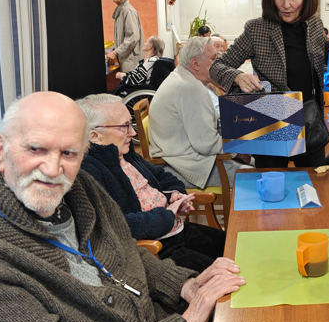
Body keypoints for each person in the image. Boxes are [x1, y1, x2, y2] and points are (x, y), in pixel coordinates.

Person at [0, 91, 273, 322]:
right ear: (1, 149)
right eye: (36, 149)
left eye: (68, 153)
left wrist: (185, 285)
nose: (52, 168)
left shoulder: (81, 189)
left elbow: (123, 253)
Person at [210, 0, 329, 168]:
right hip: (270, 124)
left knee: (317, 186)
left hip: (309, 122)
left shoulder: (313, 25)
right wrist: (238, 77)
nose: (285, 4)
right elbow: (216, 66)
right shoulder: (257, 29)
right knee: (271, 192)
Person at [78, 94, 227, 272]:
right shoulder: (89, 172)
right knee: (224, 272)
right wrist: (167, 215)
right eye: (124, 127)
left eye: (130, 124)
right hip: (156, 250)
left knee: (233, 245)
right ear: (95, 136)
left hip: (176, 230)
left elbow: (164, 176)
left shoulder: (125, 154)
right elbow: (117, 225)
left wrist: (175, 195)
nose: (133, 133)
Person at [149, 37, 252, 189]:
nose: (218, 65)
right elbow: (206, 144)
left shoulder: (182, 77)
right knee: (257, 177)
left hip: (185, 160)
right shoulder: (189, 87)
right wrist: (238, 152)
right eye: (213, 59)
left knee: (257, 161)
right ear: (195, 64)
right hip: (184, 167)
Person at [106, 0, 145, 73]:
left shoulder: (127, 11)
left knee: (130, 86)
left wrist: (116, 52)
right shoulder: (121, 9)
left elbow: (133, 37)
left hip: (131, 60)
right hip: (125, 58)